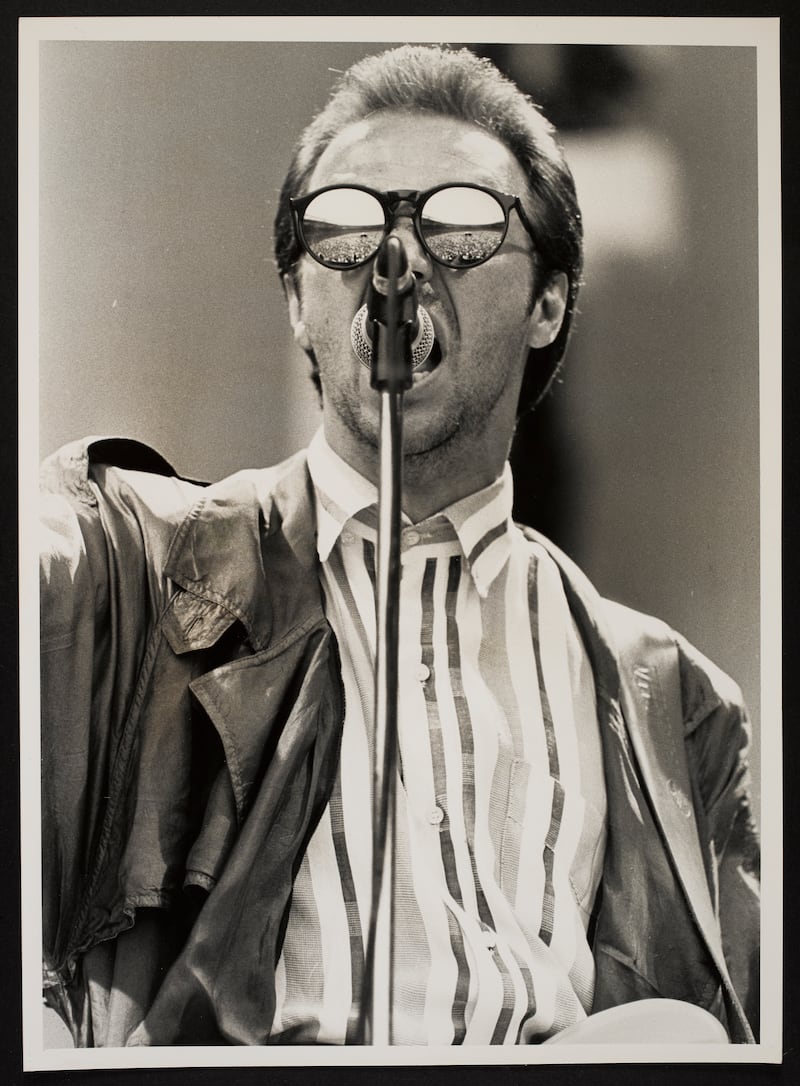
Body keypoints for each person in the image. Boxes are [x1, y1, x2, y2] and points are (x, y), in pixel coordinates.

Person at [39, 44, 759, 1047]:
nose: (396, 261)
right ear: (297, 298)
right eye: (342, 225)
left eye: (460, 223)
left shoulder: (675, 704)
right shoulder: (130, 565)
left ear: (549, 302)